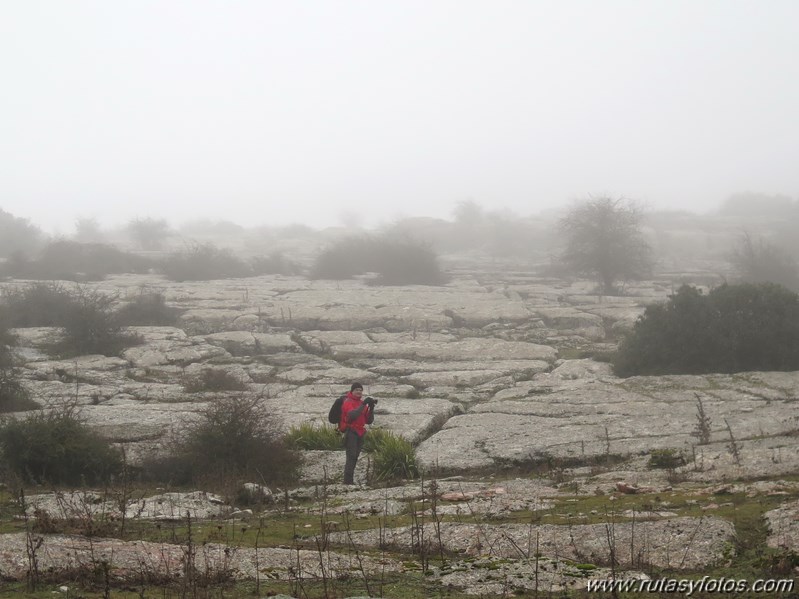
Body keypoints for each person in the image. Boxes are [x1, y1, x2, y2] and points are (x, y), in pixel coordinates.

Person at [339, 382, 375, 485]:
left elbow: (369, 421)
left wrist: (371, 407)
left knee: (355, 456)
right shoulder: (348, 402)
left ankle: (349, 481)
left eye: (360, 390)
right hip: (351, 431)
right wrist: (364, 404)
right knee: (351, 456)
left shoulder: (361, 403)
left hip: (360, 432)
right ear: (352, 391)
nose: (359, 391)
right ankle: (347, 481)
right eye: (356, 390)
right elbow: (352, 415)